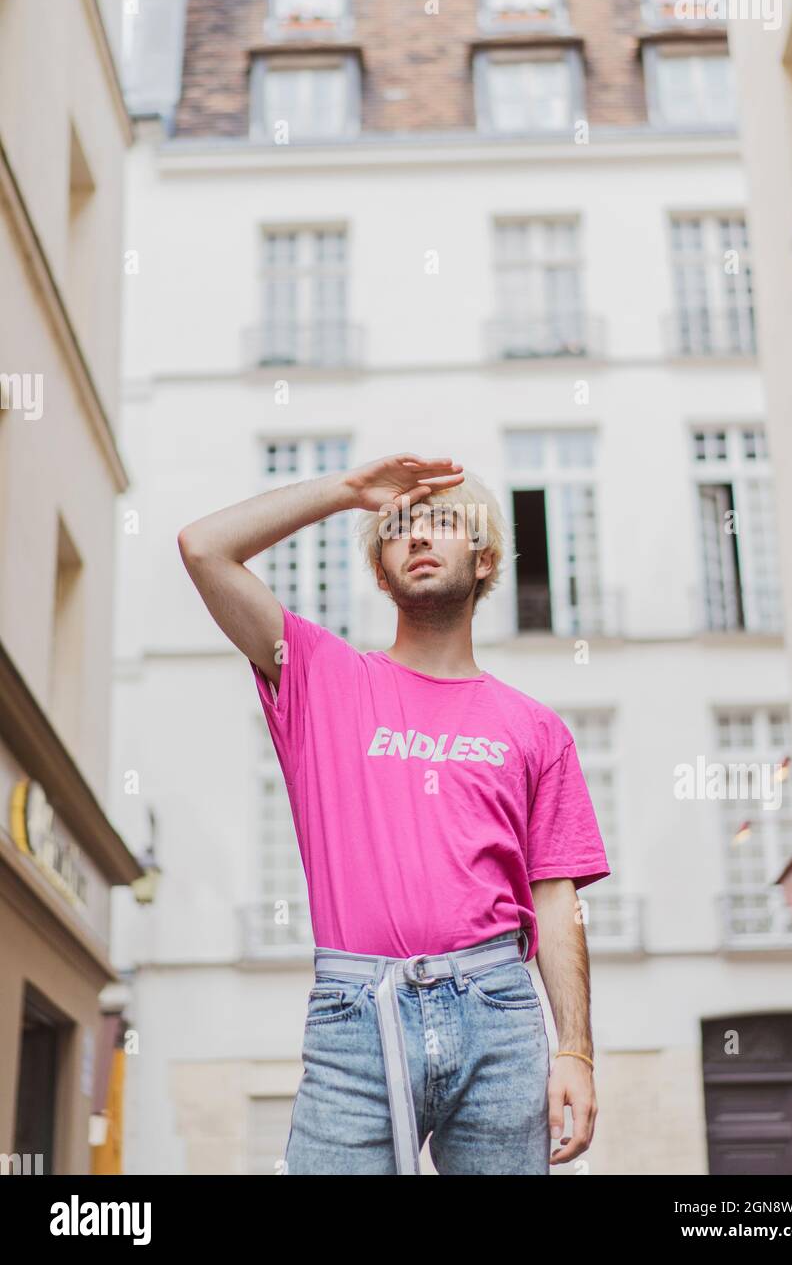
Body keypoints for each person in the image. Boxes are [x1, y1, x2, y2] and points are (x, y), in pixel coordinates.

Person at [178, 452, 610, 1175]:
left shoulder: (536, 728)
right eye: (399, 527)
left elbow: (555, 894)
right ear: (381, 572)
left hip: (500, 1013)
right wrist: (351, 492)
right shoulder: (321, 676)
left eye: (442, 521)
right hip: (355, 1017)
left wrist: (575, 1050)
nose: (416, 535)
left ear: (486, 557)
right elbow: (203, 547)